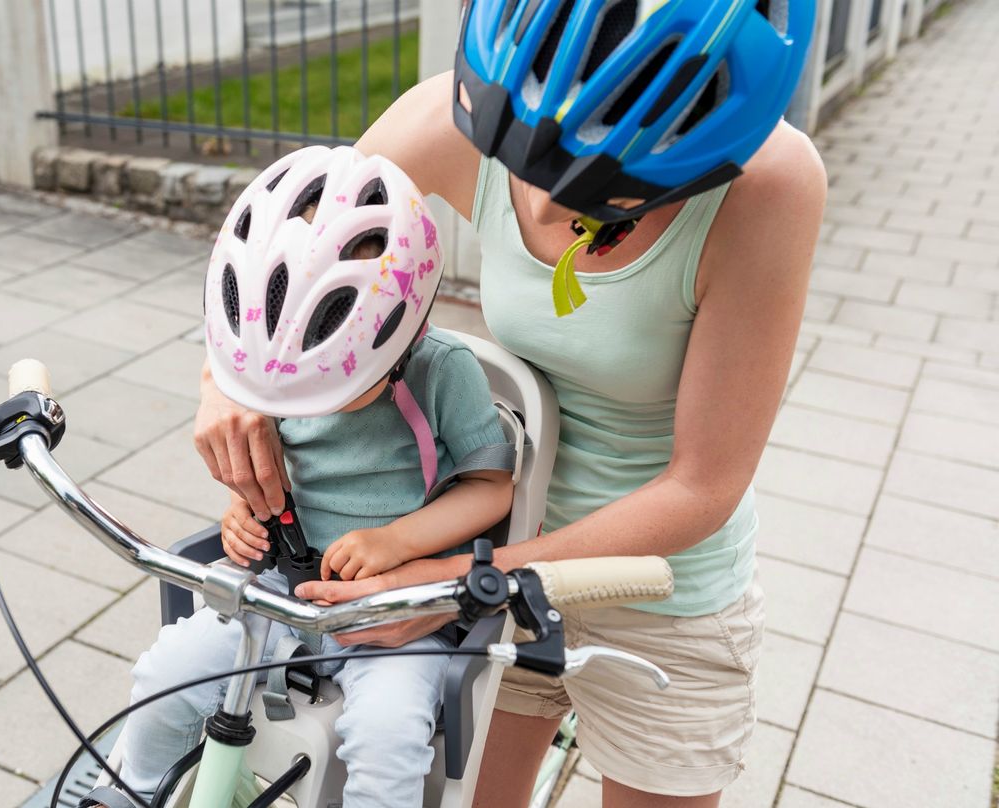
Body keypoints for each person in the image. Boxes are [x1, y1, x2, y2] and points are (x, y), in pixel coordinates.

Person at [193, 2, 827, 806]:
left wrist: (453, 583)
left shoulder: (767, 184)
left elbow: (701, 486)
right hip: (495, 546)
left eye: (596, 187)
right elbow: (284, 260)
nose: (532, 208)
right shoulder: (448, 117)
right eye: (526, 156)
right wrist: (222, 386)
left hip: (650, 592)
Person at [89, 146, 514, 808]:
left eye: (331, 382)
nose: (298, 402)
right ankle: (129, 791)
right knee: (165, 672)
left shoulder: (444, 372)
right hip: (281, 590)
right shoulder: (273, 364)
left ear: (401, 333)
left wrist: (398, 541)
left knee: (388, 738)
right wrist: (242, 509)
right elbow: (266, 468)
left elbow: (493, 488)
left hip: (400, 615)